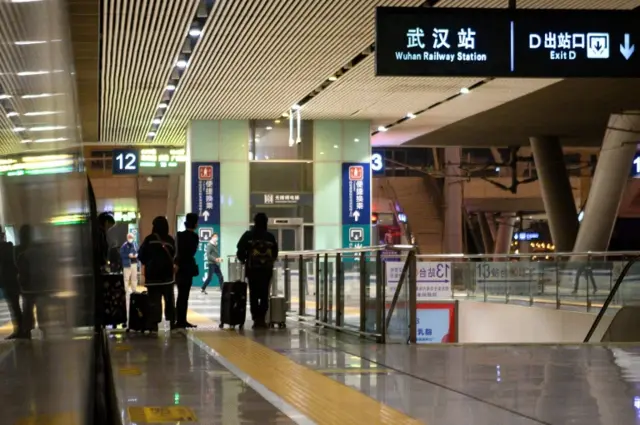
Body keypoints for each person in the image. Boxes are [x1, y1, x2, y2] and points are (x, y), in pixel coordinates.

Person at [236, 213, 278, 329]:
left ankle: (256, 319)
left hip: (252, 270)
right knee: (264, 294)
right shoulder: (270, 236)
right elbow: (275, 253)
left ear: (254, 222)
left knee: (254, 294)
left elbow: (239, 250)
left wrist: (244, 260)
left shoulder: (248, 235)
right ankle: (262, 319)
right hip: (266, 270)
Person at [138, 216, 176, 330]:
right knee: (169, 300)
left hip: (153, 277)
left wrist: (149, 263)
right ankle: (172, 322)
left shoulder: (149, 239)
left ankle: (154, 324)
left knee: (154, 301)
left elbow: (141, 255)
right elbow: (175, 254)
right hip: (167, 278)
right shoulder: (170, 240)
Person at [175, 213, 199, 329]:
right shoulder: (194, 237)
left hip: (179, 268)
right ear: (195, 224)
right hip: (188, 268)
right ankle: (181, 320)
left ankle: (179, 319)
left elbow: (177, 252)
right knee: (184, 296)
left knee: (180, 295)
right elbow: (192, 252)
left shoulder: (179, 236)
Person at [0, 226, 21, 339]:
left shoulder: (5, 248)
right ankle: (20, 329)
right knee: (14, 306)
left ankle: (20, 330)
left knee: (14, 306)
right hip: (11, 280)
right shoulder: (9, 247)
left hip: (9, 281)